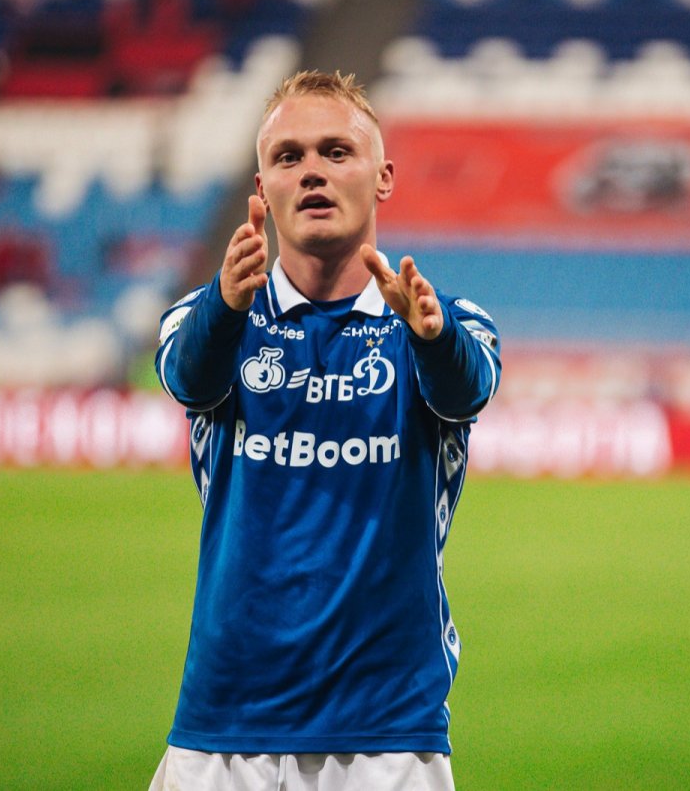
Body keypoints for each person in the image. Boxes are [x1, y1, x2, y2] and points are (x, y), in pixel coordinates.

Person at [149, 70, 501, 791]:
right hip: (222, 734)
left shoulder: (438, 322)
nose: (312, 171)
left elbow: (466, 389)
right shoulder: (212, 320)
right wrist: (225, 304)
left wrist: (432, 338)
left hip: (387, 741)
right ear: (261, 189)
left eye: (337, 152)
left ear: (383, 177)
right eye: (289, 157)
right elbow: (189, 378)